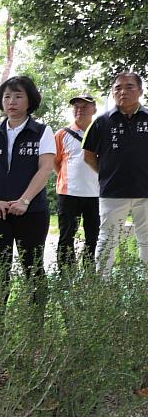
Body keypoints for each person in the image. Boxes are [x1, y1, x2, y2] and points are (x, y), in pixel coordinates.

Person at [0, 76, 55, 312]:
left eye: (18, 96)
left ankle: (36, 322)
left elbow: (46, 168)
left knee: (33, 268)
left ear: (29, 100)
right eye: (7, 97)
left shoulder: (42, 131)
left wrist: (24, 201)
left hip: (31, 212)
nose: (11, 101)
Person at [82, 71, 148, 272]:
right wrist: (106, 173)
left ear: (140, 91)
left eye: (129, 86)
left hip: (145, 191)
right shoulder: (101, 122)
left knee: (146, 239)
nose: (123, 92)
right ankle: (103, 288)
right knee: (107, 240)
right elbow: (88, 154)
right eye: (117, 88)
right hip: (112, 192)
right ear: (112, 93)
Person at [54, 93, 99, 267]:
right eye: (76, 106)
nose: (80, 109)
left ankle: (90, 274)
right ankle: (66, 275)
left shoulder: (101, 132)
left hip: (95, 193)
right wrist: (66, 178)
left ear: (94, 109)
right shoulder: (62, 134)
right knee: (66, 236)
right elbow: (55, 162)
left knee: (93, 236)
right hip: (68, 193)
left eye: (85, 106)